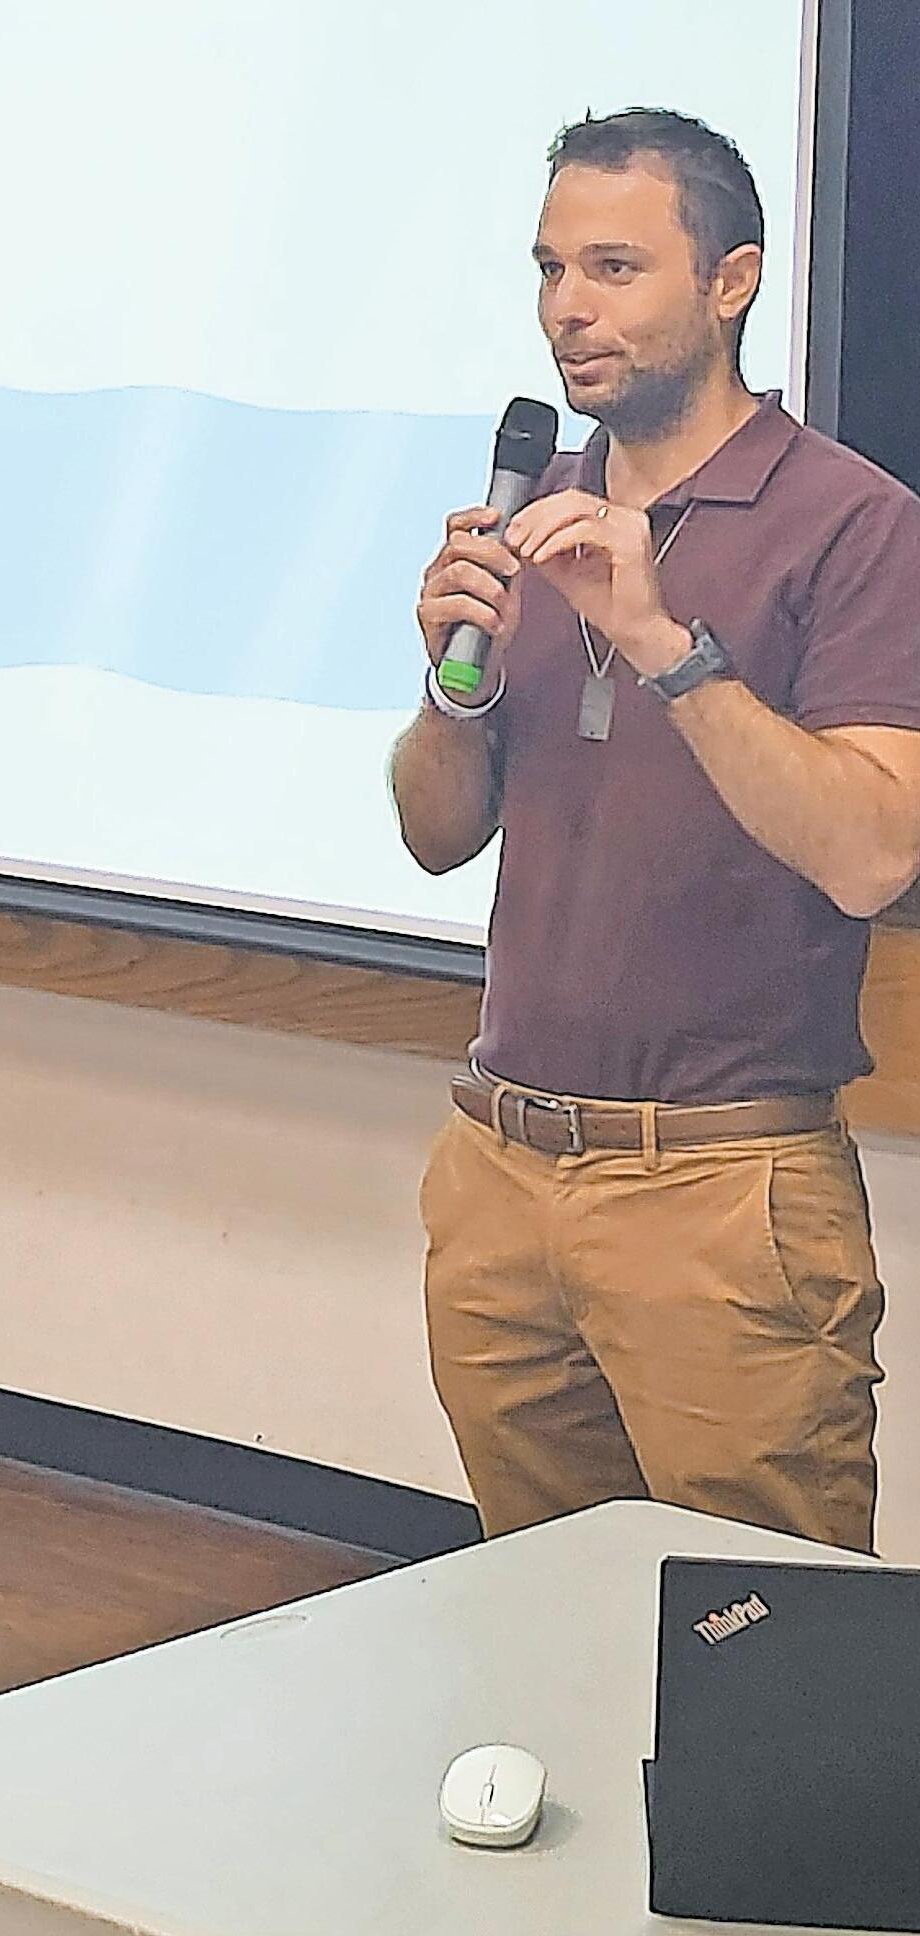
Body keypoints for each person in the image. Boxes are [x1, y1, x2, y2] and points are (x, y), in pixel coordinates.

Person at [389, 108, 920, 1554]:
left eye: (615, 268)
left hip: (722, 1191)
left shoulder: (853, 525)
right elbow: (436, 835)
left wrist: (664, 645)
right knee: (536, 1608)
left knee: (762, 1641)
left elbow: (874, 852)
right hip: (502, 1168)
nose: (570, 307)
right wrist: (451, 687)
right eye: (551, 269)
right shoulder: (533, 516)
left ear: (732, 282)